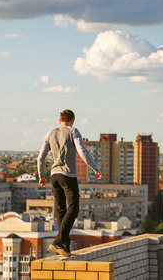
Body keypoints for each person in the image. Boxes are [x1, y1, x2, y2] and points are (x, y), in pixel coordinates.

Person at [37, 109, 102, 257]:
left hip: (54, 176)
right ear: (72, 120)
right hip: (68, 175)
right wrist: (95, 169)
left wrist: (42, 175)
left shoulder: (50, 133)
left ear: (60, 120)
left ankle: (64, 246)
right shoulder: (73, 131)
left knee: (61, 210)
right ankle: (59, 241)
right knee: (73, 208)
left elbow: (40, 158)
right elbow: (82, 151)